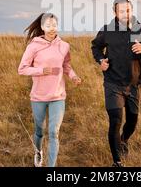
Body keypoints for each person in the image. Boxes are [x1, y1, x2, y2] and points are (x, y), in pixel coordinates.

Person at [91, 0, 141, 167]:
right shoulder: (107, 30)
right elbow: (95, 47)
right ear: (115, 12)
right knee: (115, 120)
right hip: (113, 83)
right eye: (121, 11)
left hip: (134, 84)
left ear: (131, 10)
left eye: (128, 10)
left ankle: (124, 139)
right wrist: (101, 60)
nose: (125, 14)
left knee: (132, 122)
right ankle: (117, 162)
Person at [18, 13, 82, 167]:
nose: (52, 28)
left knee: (54, 133)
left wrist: (73, 77)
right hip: (38, 96)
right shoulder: (34, 46)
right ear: (42, 27)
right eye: (48, 25)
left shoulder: (64, 46)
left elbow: (66, 66)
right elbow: (22, 69)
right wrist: (41, 70)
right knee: (39, 130)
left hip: (58, 96)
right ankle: (38, 151)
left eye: (54, 25)